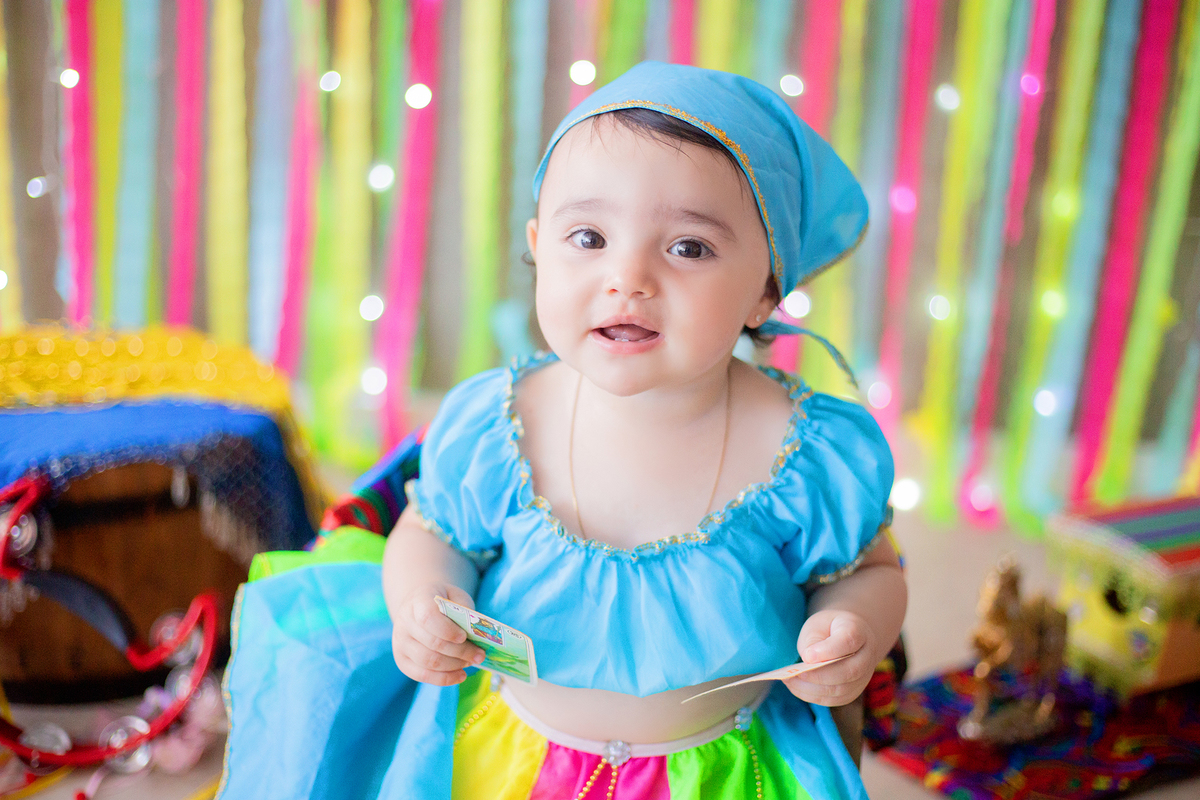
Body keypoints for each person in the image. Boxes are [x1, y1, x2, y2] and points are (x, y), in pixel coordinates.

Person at [218, 62, 906, 800]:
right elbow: (433, 532)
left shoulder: (803, 449)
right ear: (539, 244)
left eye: (689, 248)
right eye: (588, 236)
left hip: (722, 766)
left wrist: (853, 629)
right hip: (514, 754)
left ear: (766, 289)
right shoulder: (501, 422)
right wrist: (423, 601)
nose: (629, 277)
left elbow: (871, 570)